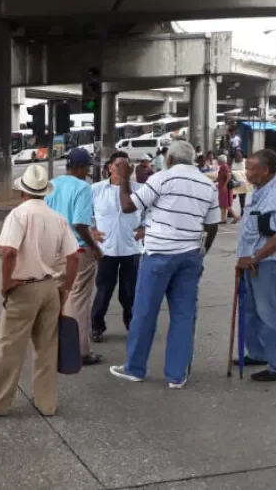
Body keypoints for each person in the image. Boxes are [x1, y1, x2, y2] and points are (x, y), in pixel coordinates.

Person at [0, 164, 79, 417]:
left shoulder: (19, 215)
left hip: (24, 287)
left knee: (10, 348)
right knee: (46, 349)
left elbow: (8, 252)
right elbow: (73, 257)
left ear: (22, 192)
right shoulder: (57, 218)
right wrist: (66, 288)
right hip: (50, 286)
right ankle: (46, 402)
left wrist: (6, 285)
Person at [109, 140, 219, 389]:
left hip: (159, 254)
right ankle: (176, 375)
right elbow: (212, 225)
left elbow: (128, 206)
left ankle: (135, 368)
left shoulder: (163, 178)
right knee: (183, 316)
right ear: (192, 159)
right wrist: (201, 254)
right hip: (190, 255)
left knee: (145, 312)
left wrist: (125, 178)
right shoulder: (207, 184)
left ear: (169, 159)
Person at [234, 149, 276, 382]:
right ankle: (257, 353)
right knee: (249, 312)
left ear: (266, 170)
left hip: (266, 263)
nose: (246, 173)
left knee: (271, 315)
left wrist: (255, 258)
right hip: (249, 261)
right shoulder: (254, 193)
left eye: (251, 168)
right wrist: (243, 258)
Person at [45, 148, 104, 365]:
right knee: (78, 299)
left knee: (57, 298)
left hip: (54, 249)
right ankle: (80, 351)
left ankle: (52, 345)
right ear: (79, 168)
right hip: (77, 250)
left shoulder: (51, 185)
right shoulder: (82, 188)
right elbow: (80, 223)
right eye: (87, 167)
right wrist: (95, 247)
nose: (88, 171)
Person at [90, 151, 144, 343]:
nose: (122, 169)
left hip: (132, 248)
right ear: (109, 167)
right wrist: (92, 230)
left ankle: (132, 325)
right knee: (104, 290)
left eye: (126, 165)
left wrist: (145, 227)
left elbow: (152, 213)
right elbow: (84, 213)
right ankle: (96, 326)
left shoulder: (139, 190)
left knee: (129, 292)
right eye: (118, 165)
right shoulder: (96, 190)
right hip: (107, 249)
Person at [217, 154, 240, 224]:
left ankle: (235, 216)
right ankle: (223, 219)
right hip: (223, 187)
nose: (217, 161)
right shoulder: (224, 166)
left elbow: (228, 176)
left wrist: (224, 185)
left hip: (224, 188)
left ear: (221, 161)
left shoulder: (224, 167)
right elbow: (221, 177)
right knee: (223, 204)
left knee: (225, 204)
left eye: (218, 160)